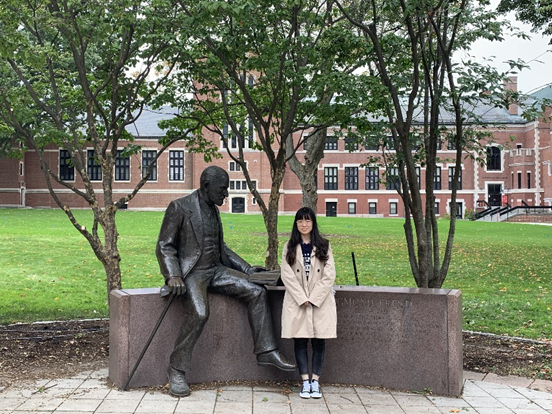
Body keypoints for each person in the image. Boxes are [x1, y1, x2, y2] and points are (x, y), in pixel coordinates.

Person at [156, 165, 295, 397]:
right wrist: (173, 275)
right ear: (206, 186)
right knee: (200, 312)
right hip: (193, 273)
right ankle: (176, 369)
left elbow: (222, 248)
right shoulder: (179, 207)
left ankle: (266, 351)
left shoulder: (213, 209)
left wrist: (247, 269)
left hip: (217, 270)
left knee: (256, 291)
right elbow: (164, 246)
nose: (226, 194)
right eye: (222, 189)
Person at [280, 207, 337, 399]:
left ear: (313, 223)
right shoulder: (289, 246)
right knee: (300, 340)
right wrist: (302, 298)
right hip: (298, 301)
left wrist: (313, 298)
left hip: (319, 301)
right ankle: (305, 381)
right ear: (296, 224)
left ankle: (315, 381)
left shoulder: (324, 245)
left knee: (319, 340)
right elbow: (286, 275)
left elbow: (329, 275)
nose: (304, 224)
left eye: (307, 221)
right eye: (300, 221)